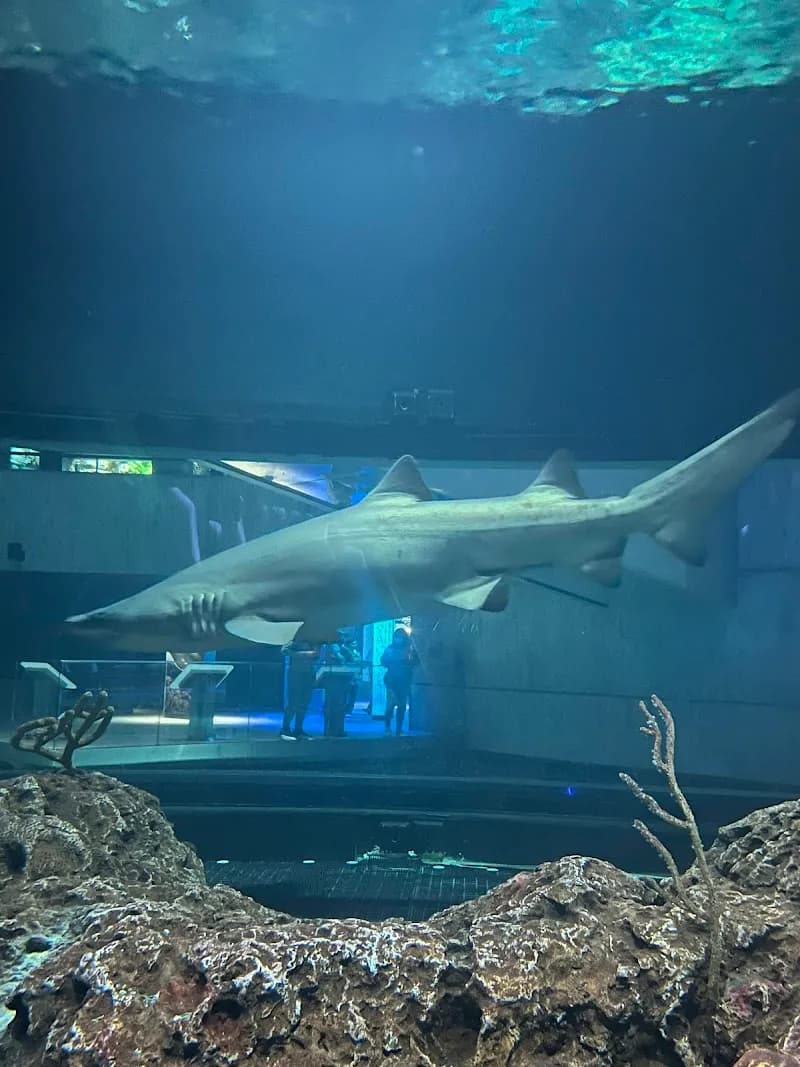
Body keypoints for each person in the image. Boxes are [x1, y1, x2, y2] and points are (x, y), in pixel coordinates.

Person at [318, 632, 360, 737]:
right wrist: (344, 654)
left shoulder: (344, 648)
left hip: (342, 679)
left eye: (344, 636)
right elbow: (341, 659)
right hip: (332, 678)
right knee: (331, 706)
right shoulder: (332, 647)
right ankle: (329, 729)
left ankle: (339, 729)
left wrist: (347, 652)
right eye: (341, 636)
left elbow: (354, 659)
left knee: (340, 706)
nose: (343, 638)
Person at [380, 627, 419, 736]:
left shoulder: (410, 648)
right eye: (397, 637)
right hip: (392, 680)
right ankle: (388, 727)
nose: (398, 639)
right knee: (390, 704)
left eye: (400, 637)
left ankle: (398, 729)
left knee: (401, 705)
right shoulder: (390, 649)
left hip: (404, 680)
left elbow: (416, 661)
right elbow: (383, 661)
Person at [280, 640, 319, 740]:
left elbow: (316, 654)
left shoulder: (315, 640)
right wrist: (305, 654)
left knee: (304, 702)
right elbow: (284, 650)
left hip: (309, 673)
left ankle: (298, 728)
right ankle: (285, 728)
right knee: (293, 702)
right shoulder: (296, 638)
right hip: (296, 673)